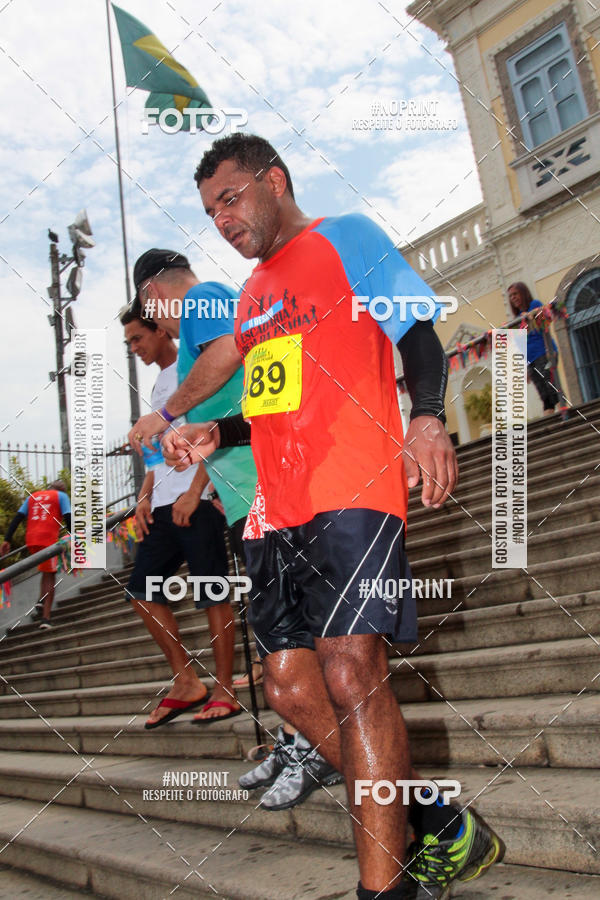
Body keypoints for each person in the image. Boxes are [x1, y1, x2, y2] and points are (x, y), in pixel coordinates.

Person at [163, 133, 504, 898]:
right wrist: (221, 432)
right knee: (289, 688)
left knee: (353, 672)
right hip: (275, 512)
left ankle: (386, 890)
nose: (221, 219)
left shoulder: (344, 238)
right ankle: (441, 825)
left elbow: (416, 331)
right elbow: (274, 404)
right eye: (209, 210)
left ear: (273, 180)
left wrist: (424, 417)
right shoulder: (251, 298)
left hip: (353, 491)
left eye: (230, 198)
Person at [127, 249, 342, 776]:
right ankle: (300, 738)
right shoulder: (213, 316)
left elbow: (227, 347)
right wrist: (195, 449)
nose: (156, 323)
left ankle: (322, 745)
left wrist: (165, 412)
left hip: (270, 488)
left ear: (154, 292)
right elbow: (237, 404)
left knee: (288, 626)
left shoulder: (203, 298)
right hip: (251, 493)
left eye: (148, 314)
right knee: (282, 626)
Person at [120, 304, 242, 727]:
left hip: (200, 500)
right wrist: (143, 498)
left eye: (138, 337)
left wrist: (197, 491)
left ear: (159, 331)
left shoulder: (195, 371)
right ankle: (187, 680)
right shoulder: (158, 389)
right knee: (141, 591)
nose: (134, 347)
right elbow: (155, 458)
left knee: (212, 592)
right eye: (129, 342)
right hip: (163, 505)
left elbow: (215, 430)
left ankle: (225, 688)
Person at [1, 480, 71, 629]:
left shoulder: (33, 496)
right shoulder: (61, 496)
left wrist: (7, 540)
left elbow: (18, 518)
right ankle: (46, 618)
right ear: (62, 489)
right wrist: (74, 537)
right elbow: (68, 517)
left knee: (45, 571)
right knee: (50, 575)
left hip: (32, 540)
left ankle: (41, 600)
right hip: (48, 540)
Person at [508, 281, 560, 415]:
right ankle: (552, 424)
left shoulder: (535, 305)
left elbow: (545, 328)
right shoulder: (517, 319)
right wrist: (525, 367)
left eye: (515, 294)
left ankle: (565, 415)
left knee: (552, 388)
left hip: (543, 352)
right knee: (543, 394)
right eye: (511, 296)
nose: (513, 298)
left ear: (523, 293)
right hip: (531, 360)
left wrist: (551, 351)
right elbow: (520, 345)